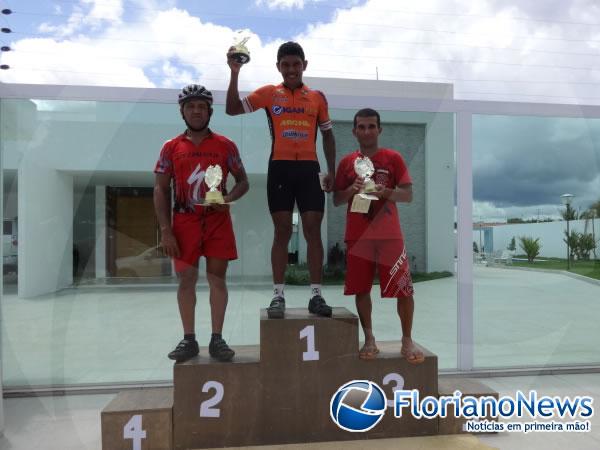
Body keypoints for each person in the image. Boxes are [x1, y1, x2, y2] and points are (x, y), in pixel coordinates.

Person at [226, 41, 336, 319]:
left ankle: (316, 295)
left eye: (296, 64)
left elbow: (328, 134)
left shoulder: (318, 97)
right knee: (282, 231)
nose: (291, 69)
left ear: (304, 65)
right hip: (280, 168)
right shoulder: (268, 93)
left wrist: (331, 171)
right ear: (278, 67)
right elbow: (232, 109)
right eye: (285, 65)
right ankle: (278, 295)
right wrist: (235, 72)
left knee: (312, 231)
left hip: (310, 169)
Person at [154, 84, 249, 362]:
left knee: (217, 279)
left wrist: (228, 197)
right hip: (183, 222)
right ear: (182, 111)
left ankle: (217, 339)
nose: (196, 111)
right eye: (191, 106)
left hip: (218, 221)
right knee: (187, 280)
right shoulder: (170, 147)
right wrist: (165, 230)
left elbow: (243, 181)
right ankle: (189, 340)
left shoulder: (225, 145)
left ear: (210, 111)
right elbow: (160, 189)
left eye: (202, 106)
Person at [333, 108, 424, 364]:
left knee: (403, 289)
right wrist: (351, 189)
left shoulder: (393, 158)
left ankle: (407, 340)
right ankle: (369, 339)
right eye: (361, 127)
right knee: (361, 289)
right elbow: (337, 200)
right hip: (358, 236)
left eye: (371, 126)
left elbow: (408, 195)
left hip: (389, 235)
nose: (366, 131)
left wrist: (384, 191)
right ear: (354, 131)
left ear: (379, 130)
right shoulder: (346, 163)